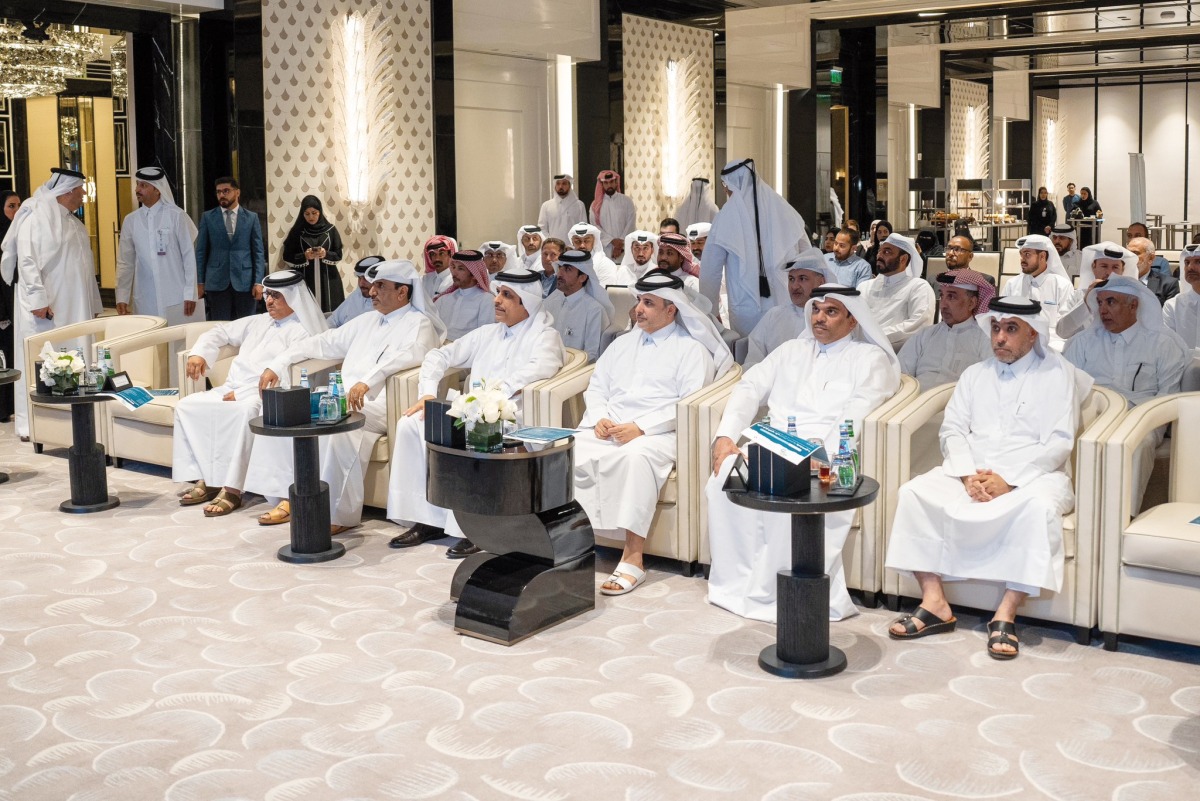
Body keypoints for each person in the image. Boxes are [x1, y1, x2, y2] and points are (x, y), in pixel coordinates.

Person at [885, 297, 1092, 660]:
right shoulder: (974, 374)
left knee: (1037, 508)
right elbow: (952, 431)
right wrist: (968, 476)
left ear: (1033, 334)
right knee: (913, 492)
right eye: (996, 328)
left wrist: (1008, 480)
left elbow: (1058, 442)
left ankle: (1006, 612)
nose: (1000, 337)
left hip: (1034, 474)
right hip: (971, 471)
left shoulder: (1057, 376)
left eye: (1011, 329)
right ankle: (934, 602)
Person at [707, 285, 900, 622]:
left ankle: (781, 593)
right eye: (816, 310)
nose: (819, 318)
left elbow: (855, 414)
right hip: (772, 441)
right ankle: (736, 586)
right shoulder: (791, 349)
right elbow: (750, 386)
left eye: (831, 312)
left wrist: (818, 452)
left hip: (829, 453)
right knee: (723, 478)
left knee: (792, 491)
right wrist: (725, 436)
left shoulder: (870, 358)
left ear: (853, 320)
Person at [251, 259, 444, 531]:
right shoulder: (367, 320)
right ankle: (288, 497)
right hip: (345, 396)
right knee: (286, 410)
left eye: (380, 286)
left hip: (383, 402)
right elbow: (323, 343)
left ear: (403, 292)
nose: (372, 292)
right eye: (373, 285)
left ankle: (336, 515)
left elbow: (407, 356)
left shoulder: (418, 323)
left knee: (338, 422)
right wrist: (279, 363)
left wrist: (367, 381)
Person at [386, 268, 565, 557]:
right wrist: (428, 394)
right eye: (498, 293)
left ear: (527, 303)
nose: (497, 300)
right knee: (411, 423)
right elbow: (438, 355)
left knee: (478, 429)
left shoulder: (545, 337)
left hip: (511, 418)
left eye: (507, 295)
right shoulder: (487, 333)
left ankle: (474, 529)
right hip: (470, 409)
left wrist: (485, 403)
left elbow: (534, 372)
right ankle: (426, 519)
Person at [574, 271, 732, 595]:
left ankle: (633, 559)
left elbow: (687, 403)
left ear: (671, 309)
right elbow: (597, 386)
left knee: (635, 459)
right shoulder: (622, 344)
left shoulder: (691, 350)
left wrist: (641, 428)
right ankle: (568, 543)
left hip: (660, 433)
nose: (638, 310)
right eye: (638, 302)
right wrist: (601, 417)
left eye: (648, 303)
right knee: (567, 448)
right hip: (610, 427)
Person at [172, 270, 327, 515]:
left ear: (294, 297)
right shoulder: (259, 321)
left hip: (266, 395)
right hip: (231, 387)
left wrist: (244, 393)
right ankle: (208, 476)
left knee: (247, 410)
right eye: (267, 295)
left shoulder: (304, 330)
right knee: (187, 405)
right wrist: (199, 352)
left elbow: (294, 373)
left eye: (277, 296)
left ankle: (233, 489)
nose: (269, 301)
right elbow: (219, 332)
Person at [1064, 275, 1189, 513]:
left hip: (1142, 417)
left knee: (1136, 443)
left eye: (1111, 302)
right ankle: (1076, 511)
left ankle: (1122, 517)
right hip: (1092, 415)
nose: (1103, 310)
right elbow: (1065, 388)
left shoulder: (1162, 343)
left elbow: (1168, 397)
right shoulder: (1082, 342)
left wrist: (1137, 421)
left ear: (1134, 305)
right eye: (1099, 303)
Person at [0, 168, 102, 440]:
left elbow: (85, 265)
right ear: (67, 191)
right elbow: (27, 261)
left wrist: (93, 303)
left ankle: (73, 421)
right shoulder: (35, 217)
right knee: (42, 359)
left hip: (75, 306)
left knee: (75, 355)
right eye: (80, 190)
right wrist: (38, 300)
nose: (83, 196)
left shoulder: (74, 223)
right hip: (46, 307)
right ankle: (32, 425)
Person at [701, 158, 811, 336]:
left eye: (725, 184)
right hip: (785, 302)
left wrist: (710, 312)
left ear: (732, 184)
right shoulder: (783, 208)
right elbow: (808, 255)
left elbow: (710, 271)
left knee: (751, 358)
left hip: (745, 307)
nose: (725, 189)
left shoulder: (726, 215)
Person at [115, 166, 200, 325]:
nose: (137, 189)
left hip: (175, 294)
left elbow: (189, 257)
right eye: (138, 184)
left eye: (143, 185)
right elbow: (125, 262)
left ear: (158, 190)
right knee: (150, 343)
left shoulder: (177, 216)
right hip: (146, 296)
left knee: (176, 341)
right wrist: (122, 295)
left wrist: (190, 293)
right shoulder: (131, 220)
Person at [899, 270, 995, 391]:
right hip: (918, 403)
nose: (943, 305)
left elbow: (988, 383)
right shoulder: (925, 335)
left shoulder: (985, 338)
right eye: (942, 296)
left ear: (972, 303)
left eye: (951, 296)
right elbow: (902, 374)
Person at [743, 253, 837, 369]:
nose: (794, 286)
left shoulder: (833, 320)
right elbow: (753, 358)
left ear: (821, 282)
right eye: (791, 279)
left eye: (802, 278)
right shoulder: (774, 315)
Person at [195, 176, 265, 321]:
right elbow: (201, 252)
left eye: (226, 191)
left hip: (245, 281)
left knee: (246, 325)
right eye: (218, 192)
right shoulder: (208, 217)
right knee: (219, 326)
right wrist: (199, 282)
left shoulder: (251, 218)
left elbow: (258, 252)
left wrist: (258, 282)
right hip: (216, 281)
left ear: (237, 192)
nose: (222, 195)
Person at [858, 232, 935, 351]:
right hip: (859, 349)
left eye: (887, 252)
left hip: (897, 356)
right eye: (880, 251)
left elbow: (918, 326)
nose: (879, 255)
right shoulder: (864, 287)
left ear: (903, 259)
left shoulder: (918, 287)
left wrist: (873, 336)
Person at [1000, 234, 1075, 349]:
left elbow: (1065, 326)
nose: (1022, 260)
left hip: (1052, 345)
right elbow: (1002, 317)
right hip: (1017, 343)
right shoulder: (1012, 284)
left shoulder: (1062, 285)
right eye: (1021, 254)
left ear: (1042, 256)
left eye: (1027, 254)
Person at [1054, 241, 1139, 341]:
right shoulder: (1078, 296)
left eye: (1115, 267)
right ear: (1093, 267)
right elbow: (1062, 332)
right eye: (1104, 266)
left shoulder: (1132, 299)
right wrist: (1086, 302)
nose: (1109, 273)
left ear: (1122, 270)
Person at [541, 249, 615, 363]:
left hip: (574, 373)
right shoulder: (550, 303)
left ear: (582, 277)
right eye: (560, 268)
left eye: (567, 269)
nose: (560, 274)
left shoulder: (594, 310)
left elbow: (591, 355)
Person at [282, 195, 344, 313]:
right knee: (308, 314)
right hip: (305, 279)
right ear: (302, 214)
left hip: (329, 280)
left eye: (314, 213)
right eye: (307, 213)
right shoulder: (297, 232)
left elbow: (339, 254)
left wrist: (325, 253)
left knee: (330, 315)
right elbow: (287, 257)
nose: (311, 217)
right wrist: (304, 256)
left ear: (320, 212)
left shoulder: (331, 230)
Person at [433, 250, 494, 340]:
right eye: (453, 267)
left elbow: (485, 336)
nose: (454, 273)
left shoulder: (486, 300)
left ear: (474, 274)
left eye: (460, 269)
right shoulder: (443, 299)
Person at [0, 190, 20, 421]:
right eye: (11, 206)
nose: (16, 211)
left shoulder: (18, 234)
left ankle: (12, 406)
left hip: (17, 304)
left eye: (18, 206)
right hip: (3, 310)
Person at [589, 170, 637, 260]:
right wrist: (612, 241)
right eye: (606, 183)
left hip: (624, 248)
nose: (609, 185)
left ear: (616, 182)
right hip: (604, 249)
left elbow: (631, 224)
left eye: (611, 182)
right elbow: (594, 227)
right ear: (602, 185)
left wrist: (620, 245)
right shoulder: (595, 205)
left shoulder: (627, 201)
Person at [329, 255, 383, 328]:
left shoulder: (387, 304)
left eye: (365, 279)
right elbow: (333, 320)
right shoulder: (356, 296)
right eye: (359, 278)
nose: (361, 283)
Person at [1163, 244, 1200, 347]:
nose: (1190, 267)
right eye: (1187, 262)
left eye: (1198, 262)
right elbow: (1168, 347)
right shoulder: (1173, 306)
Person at [1127, 237, 1179, 306]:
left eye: (1136, 253)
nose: (1131, 257)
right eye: (1128, 253)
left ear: (1150, 258)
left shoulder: (1168, 285)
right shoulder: (1118, 282)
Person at [538, 173, 587, 242]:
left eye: (564, 183)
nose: (561, 186)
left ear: (569, 186)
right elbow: (542, 228)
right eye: (558, 184)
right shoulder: (546, 206)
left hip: (573, 248)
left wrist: (573, 245)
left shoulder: (579, 205)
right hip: (553, 247)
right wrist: (551, 242)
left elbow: (583, 228)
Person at [421, 235, 458, 299]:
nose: (437, 258)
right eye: (433, 254)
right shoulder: (424, 280)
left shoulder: (456, 280)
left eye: (441, 253)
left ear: (450, 255)